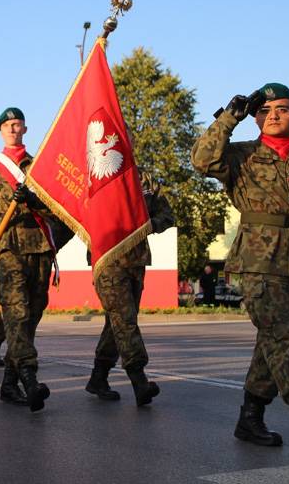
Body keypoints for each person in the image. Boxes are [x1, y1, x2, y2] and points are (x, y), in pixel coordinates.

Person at [192, 82, 289, 454]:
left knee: (277, 342)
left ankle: (250, 417)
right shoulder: (241, 155)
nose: (273, 116)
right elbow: (201, 159)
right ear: (255, 117)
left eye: (281, 108)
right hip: (260, 260)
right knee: (280, 337)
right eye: (263, 111)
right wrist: (230, 116)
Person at [0, 107, 59, 411]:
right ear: (0, 131)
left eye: (16, 124)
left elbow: (59, 208)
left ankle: (8, 383)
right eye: (7, 125)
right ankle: (30, 379)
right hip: (8, 253)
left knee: (30, 318)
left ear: (24, 129)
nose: (12, 128)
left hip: (40, 250)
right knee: (17, 316)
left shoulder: (41, 167)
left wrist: (34, 201)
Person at [85, 167, 174, 406]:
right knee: (124, 319)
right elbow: (79, 216)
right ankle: (139, 380)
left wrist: (145, 224)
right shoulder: (94, 178)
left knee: (118, 321)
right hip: (107, 260)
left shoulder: (143, 178)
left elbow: (167, 216)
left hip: (135, 261)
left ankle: (98, 377)